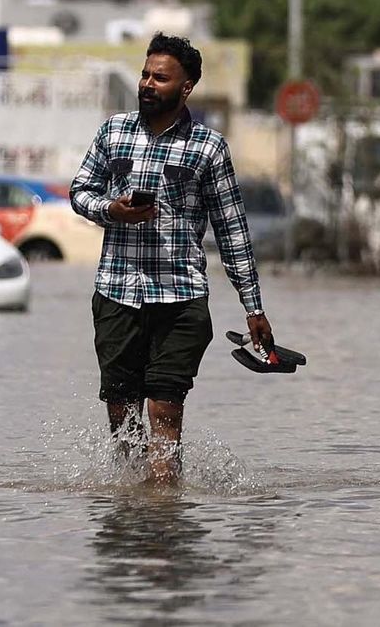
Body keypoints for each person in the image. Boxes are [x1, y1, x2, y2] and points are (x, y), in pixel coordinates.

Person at [71, 32, 275, 484]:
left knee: (165, 408)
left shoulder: (209, 148)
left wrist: (253, 307)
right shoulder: (113, 132)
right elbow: (79, 192)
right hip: (117, 293)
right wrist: (112, 210)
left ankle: (163, 513)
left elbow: (232, 232)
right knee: (123, 416)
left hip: (181, 299)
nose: (147, 84)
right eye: (145, 74)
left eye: (159, 78)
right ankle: (129, 508)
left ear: (185, 88)